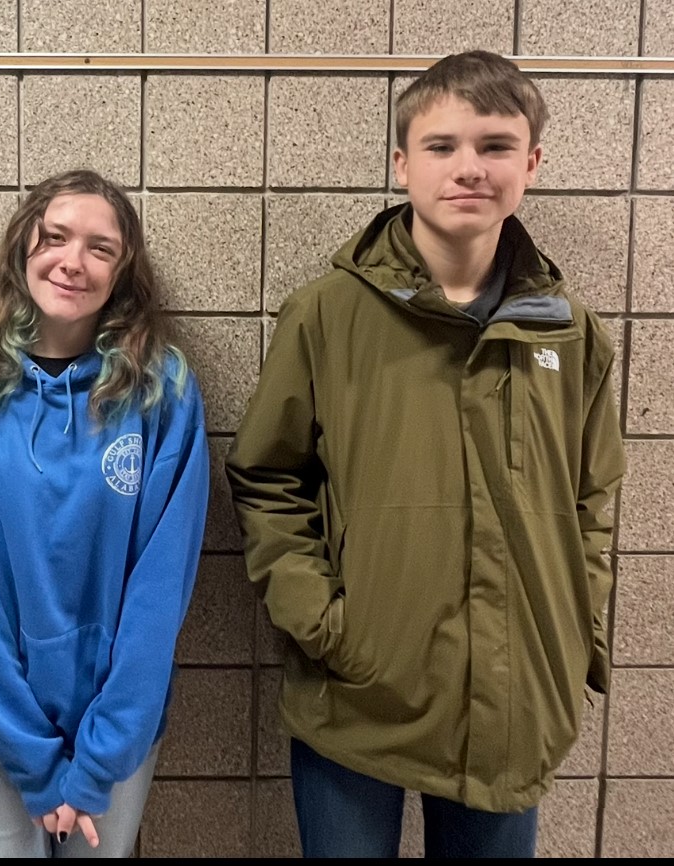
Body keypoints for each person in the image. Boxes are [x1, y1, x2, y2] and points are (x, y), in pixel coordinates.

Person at [226, 51, 626, 858]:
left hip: (516, 705)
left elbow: (591, 502)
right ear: (402, 163)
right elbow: (269, 477)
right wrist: (327, 626)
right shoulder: (327, 314)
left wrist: (571, 634)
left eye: (496, 145)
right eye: (442, 146)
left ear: (532, 163)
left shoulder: (569, 331)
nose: (469, 168)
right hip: (358, 696)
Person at [0, 169, 209, 858]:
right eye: (55, 237)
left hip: (111, 739)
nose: (73, 261)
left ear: (124, 273)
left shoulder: (161, 393)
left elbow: (159, 588)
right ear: (24, 249)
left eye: (100, 248)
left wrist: (97, 760)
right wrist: (33, 760)